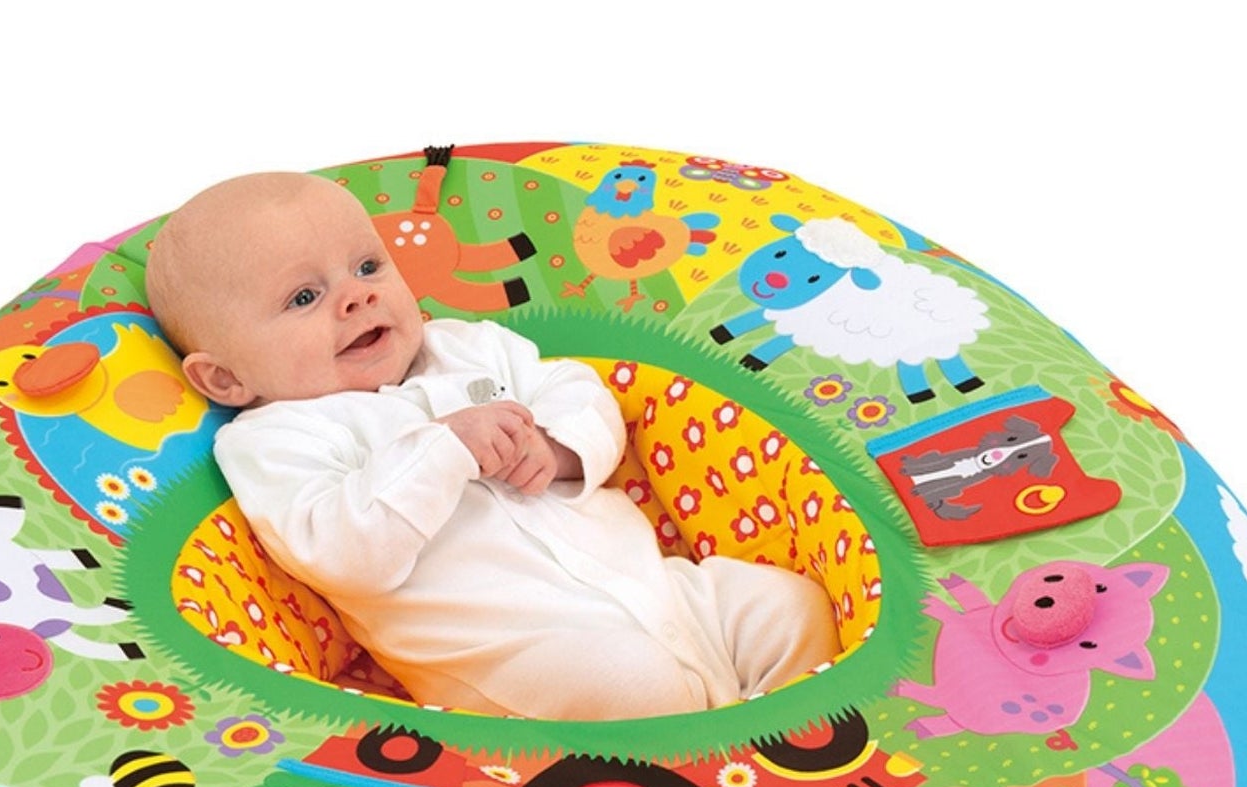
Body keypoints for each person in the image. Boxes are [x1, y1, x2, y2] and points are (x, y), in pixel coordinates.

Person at [145, 171, 838, 720]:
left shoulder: (468, 347)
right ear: (225, 378)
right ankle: (719, 778)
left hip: (661, 590)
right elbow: (344, 552)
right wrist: (444, 450)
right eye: (303, 298)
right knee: (638, 685)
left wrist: (558, 448)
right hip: (521, 657)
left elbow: (579, 391)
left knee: (791, 608)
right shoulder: (275, 439)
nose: (356, 298)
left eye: (368, 266)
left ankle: (783, 747)